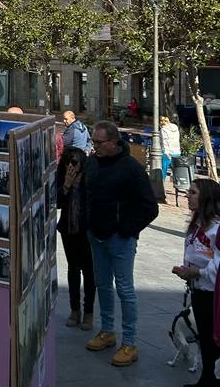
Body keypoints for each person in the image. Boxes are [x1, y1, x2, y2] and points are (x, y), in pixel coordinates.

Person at [84, 120, 159, 367]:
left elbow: (150, 206)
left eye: (99, 142)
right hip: (96, 234)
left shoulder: (131, 168)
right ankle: (107, 330)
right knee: (102, 285)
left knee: (125, 289)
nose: (94, 146)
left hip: (120, 238)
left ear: (114, 142)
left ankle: (130, 343)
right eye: (93, 141)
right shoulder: (93, 162)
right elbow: (87, 193)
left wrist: (127, 229)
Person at [172, 179, 220, 387]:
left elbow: (217, 266)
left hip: (213, 293)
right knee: (205, 338)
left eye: (193, 192)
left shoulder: (216, 229)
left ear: (206, 197)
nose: (187, 196)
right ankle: (207, 378)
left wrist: (197, 272)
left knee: (214, 338)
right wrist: (188, 272)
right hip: (198, 289)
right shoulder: (197, 224)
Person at [57, 147, 96, 331]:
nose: (71, 167)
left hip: (87, 231)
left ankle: (89, 312)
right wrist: (66, 185)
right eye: (68, 163)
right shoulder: (63, 177)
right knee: (73, 269)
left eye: (75, 163)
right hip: (68, 230)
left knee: (89, 271)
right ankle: (75, 309)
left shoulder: (90, 179)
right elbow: (55, 203)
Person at [160, 115, 181, 180]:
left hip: (167, 152)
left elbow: (165, 142)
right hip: (177, 151)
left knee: (164, 170)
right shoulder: (175, 127)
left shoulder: (163, 129)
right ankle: (177, 185)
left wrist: (166, 152)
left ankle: (161, 184)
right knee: (175, 171)